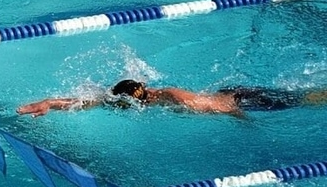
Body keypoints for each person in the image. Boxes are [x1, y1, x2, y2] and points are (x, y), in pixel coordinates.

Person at [17, 79, 327, 117]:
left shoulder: (171, 96)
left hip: (242, 100)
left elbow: (220, 106)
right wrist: (50, 102)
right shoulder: (133, 96)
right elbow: (89, 101)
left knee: (304, 99)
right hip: (228, 93)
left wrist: (243, 121)